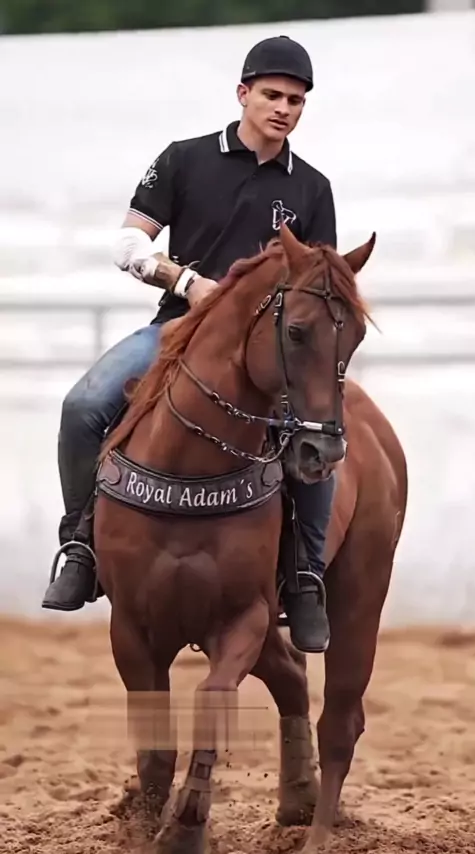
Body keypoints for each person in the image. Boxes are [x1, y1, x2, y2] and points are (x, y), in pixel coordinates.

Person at [41, 35, 337, 654]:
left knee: (321, 433)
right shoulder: (184, 158)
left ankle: (305, 577)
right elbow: (128, 244)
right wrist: (186, 282)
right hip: (178, 327)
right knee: (83, 406)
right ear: (243, 94)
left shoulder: (312, 187)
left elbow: (319, 281)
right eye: (272, 95)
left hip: (270, 351)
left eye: (296, 100)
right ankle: (81, 546)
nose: (283, 108)